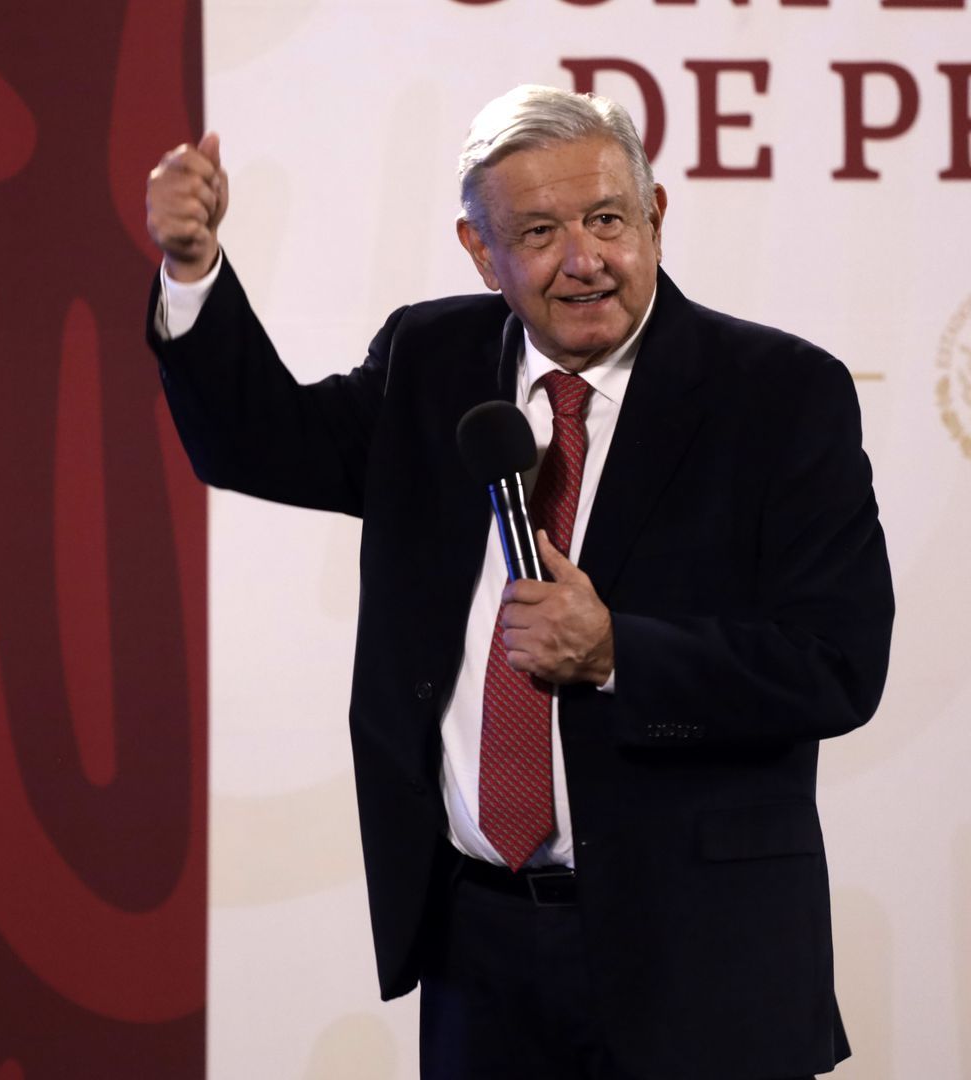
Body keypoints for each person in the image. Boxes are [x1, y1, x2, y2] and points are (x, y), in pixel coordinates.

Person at [144, 85, 894, 1079]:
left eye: (608, 220)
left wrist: (619, 652)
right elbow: (259, 442)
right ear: (478, 250)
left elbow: (837, 664)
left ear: (656, 218)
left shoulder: (779, 394)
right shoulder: (431, 360)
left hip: (702, 955)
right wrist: (193, 270)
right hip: (479, 946)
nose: (584, 259)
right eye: (538, 231)